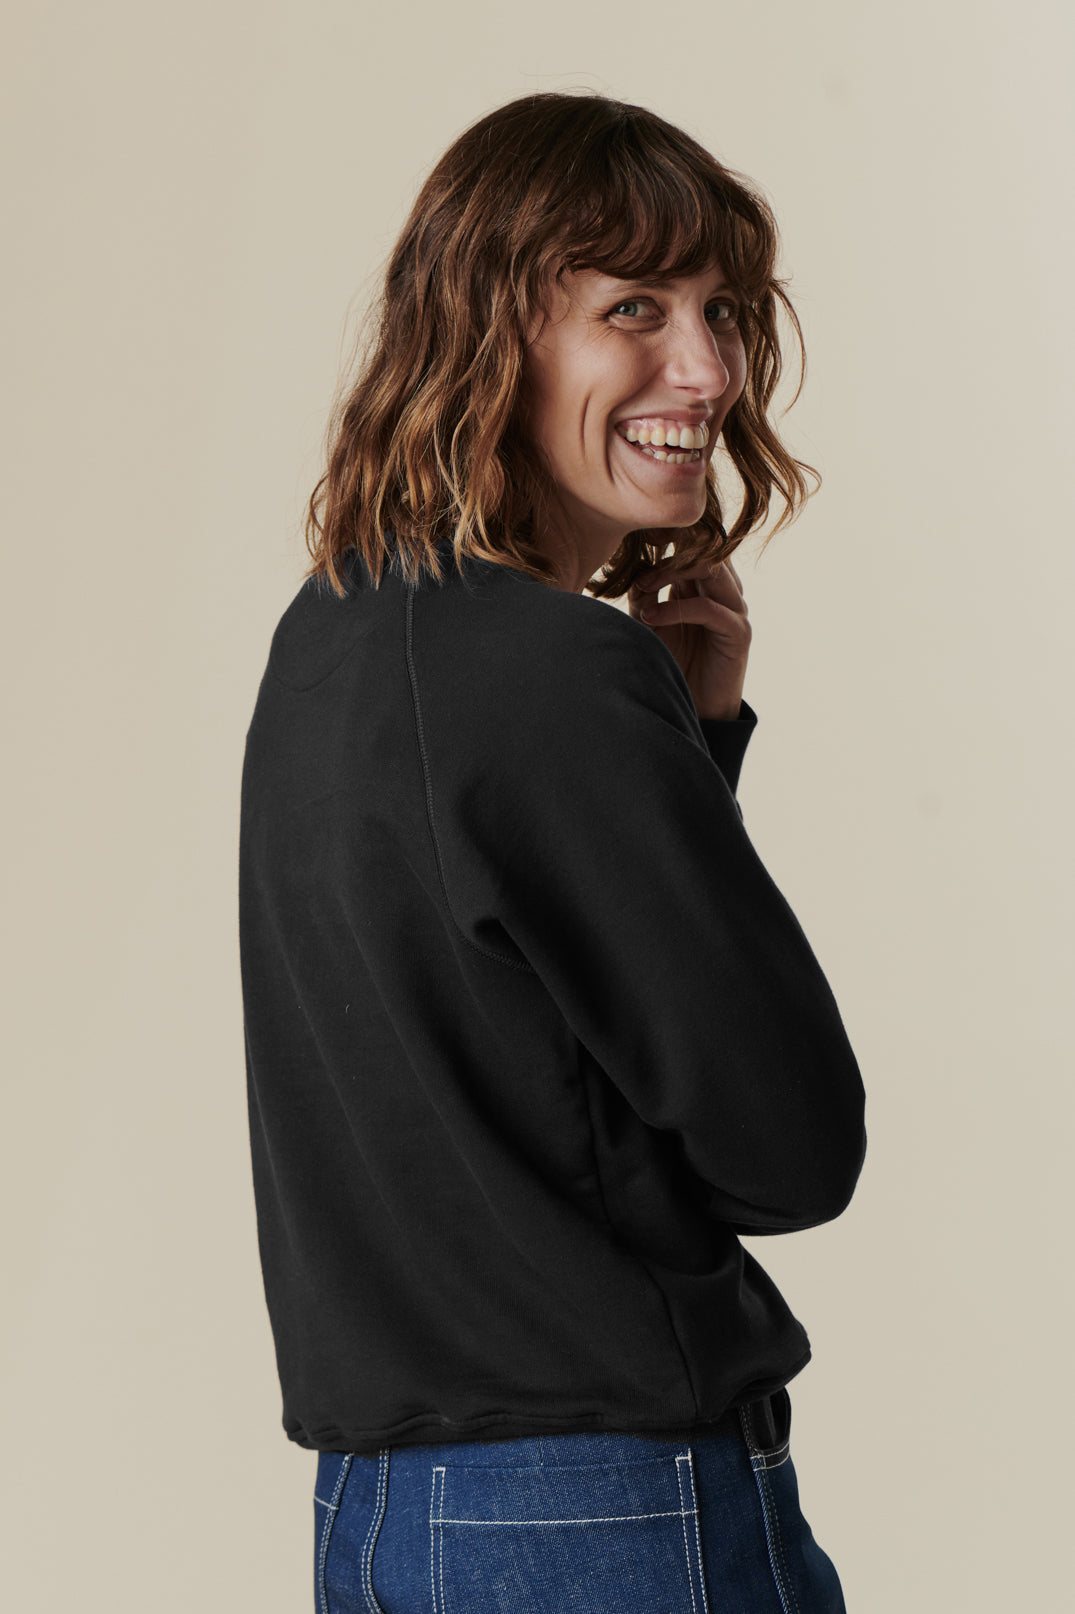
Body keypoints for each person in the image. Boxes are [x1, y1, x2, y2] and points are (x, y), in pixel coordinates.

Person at [239, 91, 867, 1614]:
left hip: (389, 1516)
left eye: (721, 310)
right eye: (631, 308)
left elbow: (517, 1054)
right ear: (488, 331)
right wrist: (668, 743)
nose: (706, 370)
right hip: (603, 1511)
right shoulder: (556, 676)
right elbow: (790, 1145)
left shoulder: (330, 633)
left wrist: (678, 745)